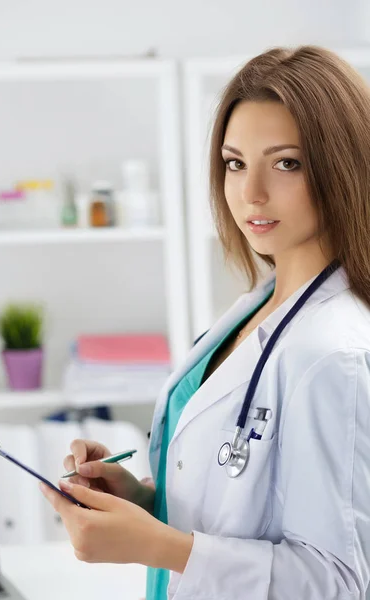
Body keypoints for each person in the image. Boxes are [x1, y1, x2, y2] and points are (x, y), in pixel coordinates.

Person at [40, 45, 370, 599]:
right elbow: (242, 502)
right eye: (235, 163)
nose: (250, 192)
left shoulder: (332, 354)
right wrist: (145, 500)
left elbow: (340, 581)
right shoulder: (258, 306)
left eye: (286, 162)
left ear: (344, 167)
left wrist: (155, 545)